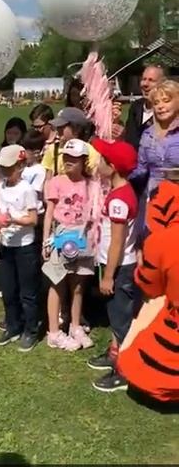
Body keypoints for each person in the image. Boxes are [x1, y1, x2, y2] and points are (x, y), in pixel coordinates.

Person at [117, 174, 179, 405]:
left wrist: (144, 260)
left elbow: (149, 287)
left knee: (150, 307)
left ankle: (123, 364)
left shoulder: (162, 241)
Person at [87, 138, 139, 393]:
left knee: (121, 321)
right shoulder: (120, 192)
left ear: (113, 166)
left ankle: (125, 371)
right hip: (115, 266)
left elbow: (117, 242)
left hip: (119, 268)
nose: (97, 162)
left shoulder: (119, 200)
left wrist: (108, 277)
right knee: (115, 316)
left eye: (102, 159)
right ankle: (114, 352)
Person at [42, 139, 95, 351]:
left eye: (73, 158)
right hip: (61, 234)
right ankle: (54, 331)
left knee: (79, 283)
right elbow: (48, 213)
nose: (68, 161)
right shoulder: (55, 182)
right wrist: (46, 239)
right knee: (57, 282)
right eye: (65, 157)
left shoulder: (91, 184)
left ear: (84, 161)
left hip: (82, 235)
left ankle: (75, 325)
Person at [0, 145, 40, 352]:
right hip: (6, 245)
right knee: (8, 290)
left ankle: (31, 329)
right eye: (2, 168)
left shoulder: (26, 189)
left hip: (24, 247)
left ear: (20, 166)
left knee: (27, 292)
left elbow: (33, 218)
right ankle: (13, 325)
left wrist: (13, 220)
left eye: (9, 167)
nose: (4, 171)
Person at [130, 80, 179, 198]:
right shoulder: (147, 134)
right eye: (156, 103)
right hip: (154, 198)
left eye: (166, 101)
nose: (160, 106)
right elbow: (141, 170)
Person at [41, 108, 98, 180]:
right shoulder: (53, 149)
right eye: (57, 127)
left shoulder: (90, 152)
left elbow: (93, 178)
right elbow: (47, 177)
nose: (58, 130)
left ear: (76, 130)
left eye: (62, 127)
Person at [124, 65, 165, 151]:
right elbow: (129, 138)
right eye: (144, 79)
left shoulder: (166, 111)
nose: (145, 84)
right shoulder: (136, 107)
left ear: (162, 84)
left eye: (151, 80)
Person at [21, 130, 46, 251]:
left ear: (36, 153)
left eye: (25, 151)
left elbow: (35, 192)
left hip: (36, 214)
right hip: (22, 213)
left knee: (33, 247)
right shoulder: (23, 168)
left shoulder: (39, 170)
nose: (22, 154)